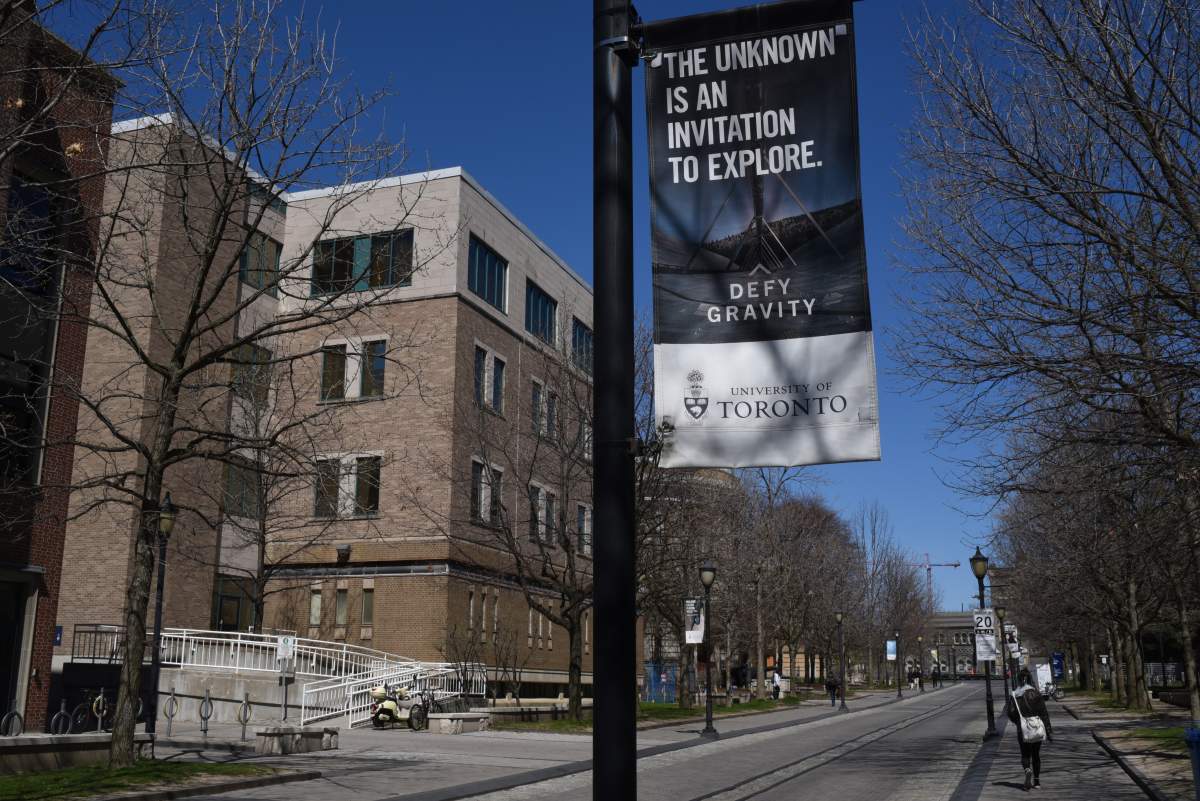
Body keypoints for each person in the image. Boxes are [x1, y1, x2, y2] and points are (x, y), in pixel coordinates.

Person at [1007, 668, 1053, 790]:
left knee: (1025, 754)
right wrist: (1048, 730)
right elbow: (1044, 713)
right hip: (1036, 726)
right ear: (1030, 679)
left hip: (1022, 728)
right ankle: (1037, 782)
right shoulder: (1036, 693)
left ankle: (1027, 769)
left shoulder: (1015, 694)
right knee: (1036, 755)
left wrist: (1017, 721)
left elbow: (1010, 713)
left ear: (1019, 680)